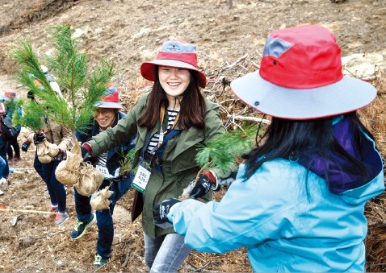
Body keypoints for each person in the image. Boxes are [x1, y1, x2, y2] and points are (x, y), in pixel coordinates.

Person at [154, 25, 385, 272]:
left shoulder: (283, 180)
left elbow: (217, 231)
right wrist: (233, 177)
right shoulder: (349, 139)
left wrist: (178, 210)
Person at [82, 40, 230, 272]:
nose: (173, 76)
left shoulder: (205, 111)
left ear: (191, 75)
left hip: (185, 199)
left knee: (160, 269)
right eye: (166, 69)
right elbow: (118, 133)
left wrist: (210, 177)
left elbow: (226, 153)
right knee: (152, 260)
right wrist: (88, 148)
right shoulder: (147, 104)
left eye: (180, 69)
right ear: (158, 73)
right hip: (151, 196)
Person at [71, 85, 136, 268]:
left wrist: (121, 174)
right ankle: (84, 219)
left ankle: (104, 252)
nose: (101, 116)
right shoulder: (87, 123)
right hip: (92, 169)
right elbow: (77, 142)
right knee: (80, 193)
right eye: (97, 111)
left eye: (106, 110)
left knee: (103, 211)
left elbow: (132, 158)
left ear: (115, 110)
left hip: (115, 176)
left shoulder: (128, 129)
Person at [24, 90, 72, 225]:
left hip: (59, 153)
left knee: (56, 182)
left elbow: (67, 136)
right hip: (44, 154)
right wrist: (34, 137)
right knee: (48, 180)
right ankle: (54, 202)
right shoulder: (34, 114)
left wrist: (60, 148)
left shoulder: (61, 113)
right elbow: (27, 131)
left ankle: (62, 211)